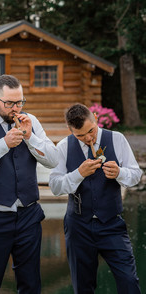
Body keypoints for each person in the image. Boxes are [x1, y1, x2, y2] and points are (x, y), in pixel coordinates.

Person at [0, 74, 59, 294]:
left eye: (20, 102)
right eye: (9, 103)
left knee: (31, 286)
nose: (15, 108)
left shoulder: (31, 120)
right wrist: (3, 144)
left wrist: (30, 137)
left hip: (28, 216)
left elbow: (53, 160)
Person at [49, 103, 142, 294]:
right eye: (80, 135)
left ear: (96, 119)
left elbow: (135, 175)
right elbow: (55, 186)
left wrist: (119, 172)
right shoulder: (65, 146)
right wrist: (77, 174)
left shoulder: (117, 139)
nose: (88, 138)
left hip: (112, 224)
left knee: (129, 281)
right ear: (71, 130)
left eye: (90, 131)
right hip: (78, 227)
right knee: (83, 287)